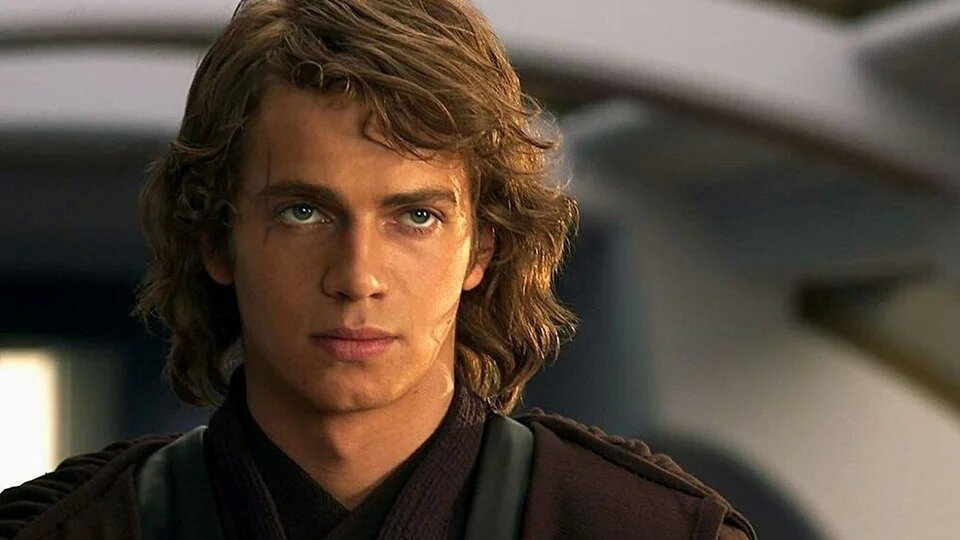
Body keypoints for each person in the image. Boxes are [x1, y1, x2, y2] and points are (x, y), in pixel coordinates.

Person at [0, 1, 755, 538]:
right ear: (218, 241)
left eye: (415, 217)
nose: (357, 276)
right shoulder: (75, 530)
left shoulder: (645, 528)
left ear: (481, 248)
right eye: (304, 212)